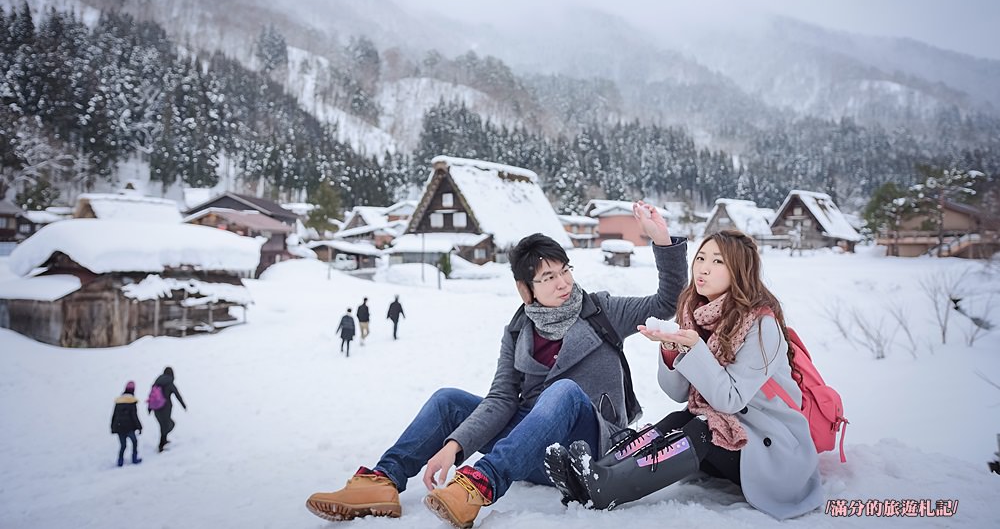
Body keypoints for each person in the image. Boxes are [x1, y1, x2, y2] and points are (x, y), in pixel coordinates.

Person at [305, 201, 687, 527]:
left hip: (585, 449)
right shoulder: (519, 330)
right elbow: (501, 400)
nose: (563, 283)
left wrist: (661, 241)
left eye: (565, 270)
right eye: (549, 277)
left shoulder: (601, 310)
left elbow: (666, 302)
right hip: (531, 448)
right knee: (447, 400)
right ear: (526, 290)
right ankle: (383, 480)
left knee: (564, 391)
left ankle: (481, 484)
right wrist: (454, 446)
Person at [560, 230, 823, 519]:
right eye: (700, 258)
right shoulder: (696, 315)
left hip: (772, 455)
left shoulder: (761, 327)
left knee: (702, 426)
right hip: (732, 442)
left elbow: (729, 400)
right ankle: (597, 471)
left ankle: (609, 486)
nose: (704, 268)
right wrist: (672, 351)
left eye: (718, 261)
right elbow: (677, 394)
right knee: (679, 419)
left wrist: (695, 349)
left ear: (740, 271)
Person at [150, 366, 187, 453]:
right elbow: (177, 395)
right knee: (168, 425)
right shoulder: (170, 383)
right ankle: (161, 446)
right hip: (165, 408)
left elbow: (151, 395)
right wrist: (183, 405)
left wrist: (149, 408)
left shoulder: (157, 382)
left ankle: (164, 441)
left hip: (156, 408)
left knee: (163, 425)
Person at [110, 380, 143, 467]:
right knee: (134, 442)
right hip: (129, 427)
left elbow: (114, 415)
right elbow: (134, 416)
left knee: (123, 445)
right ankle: (134, 458)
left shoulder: (118, 401)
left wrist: (112, 427)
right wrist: (139, 427)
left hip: (119, 427)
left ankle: (120, 461)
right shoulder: (131, 401)